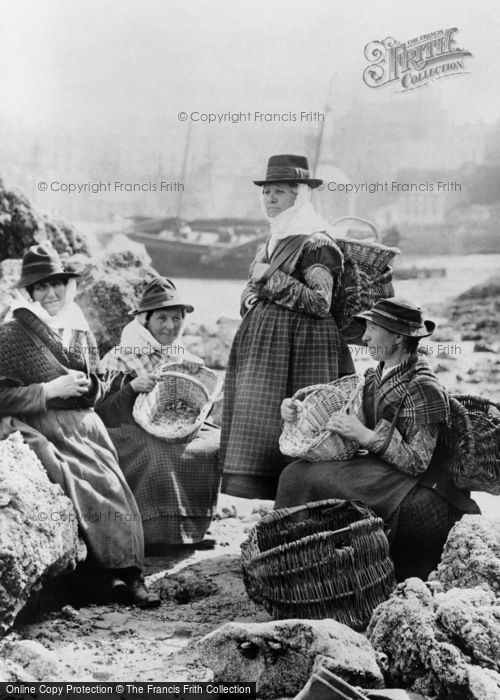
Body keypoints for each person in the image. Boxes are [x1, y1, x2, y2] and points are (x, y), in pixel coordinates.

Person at [0, 243, 159, 607]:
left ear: (69, 286)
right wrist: (48, 390)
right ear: (30, 292)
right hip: (45, 423)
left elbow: (98, 387)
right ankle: (106, 577)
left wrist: (92, 387)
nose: (50, 292)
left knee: (114, 487)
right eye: (41, 286)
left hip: (87, 426)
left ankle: (131, 573)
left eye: (57, 283)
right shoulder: (11, 333)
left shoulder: (79, 328)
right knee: (78, 485)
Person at [275, 298, 480, 580]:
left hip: (417, 484)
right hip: (384, 468)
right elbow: (350, 420)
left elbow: (418, 461)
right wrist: (297, 413)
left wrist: (364, 434)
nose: (364, 336)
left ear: (398, 336)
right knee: (295, 472)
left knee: (302, 479)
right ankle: (293, 560)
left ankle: (297, 566)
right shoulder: (376, 375)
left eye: (373, 328)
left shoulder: (423, 387)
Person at [220, 154, 354, 500]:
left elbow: (320, 302)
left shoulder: (316, 243)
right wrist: (251, 299)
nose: (270, 199)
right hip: (269, 352)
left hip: (305, 348)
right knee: (263, 424)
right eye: (266, 192)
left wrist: (272, 279)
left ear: (300, 195)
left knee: (304, 422)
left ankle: (303, 502)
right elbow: (252, 283)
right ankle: (276, 498)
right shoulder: (273, 239)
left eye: (279, 192)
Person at [97, 277, 220, 553]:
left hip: (171, 426)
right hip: (126, 428)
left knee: (214, 443)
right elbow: (102, 411)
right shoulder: (121, 357)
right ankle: (154, 535)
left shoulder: (180, 355)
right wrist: (131, 388)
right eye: (161, 318)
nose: (170, 326)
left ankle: (192, 529)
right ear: (145, 321)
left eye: (176, 318)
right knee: (159, 453)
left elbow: (197, 403)